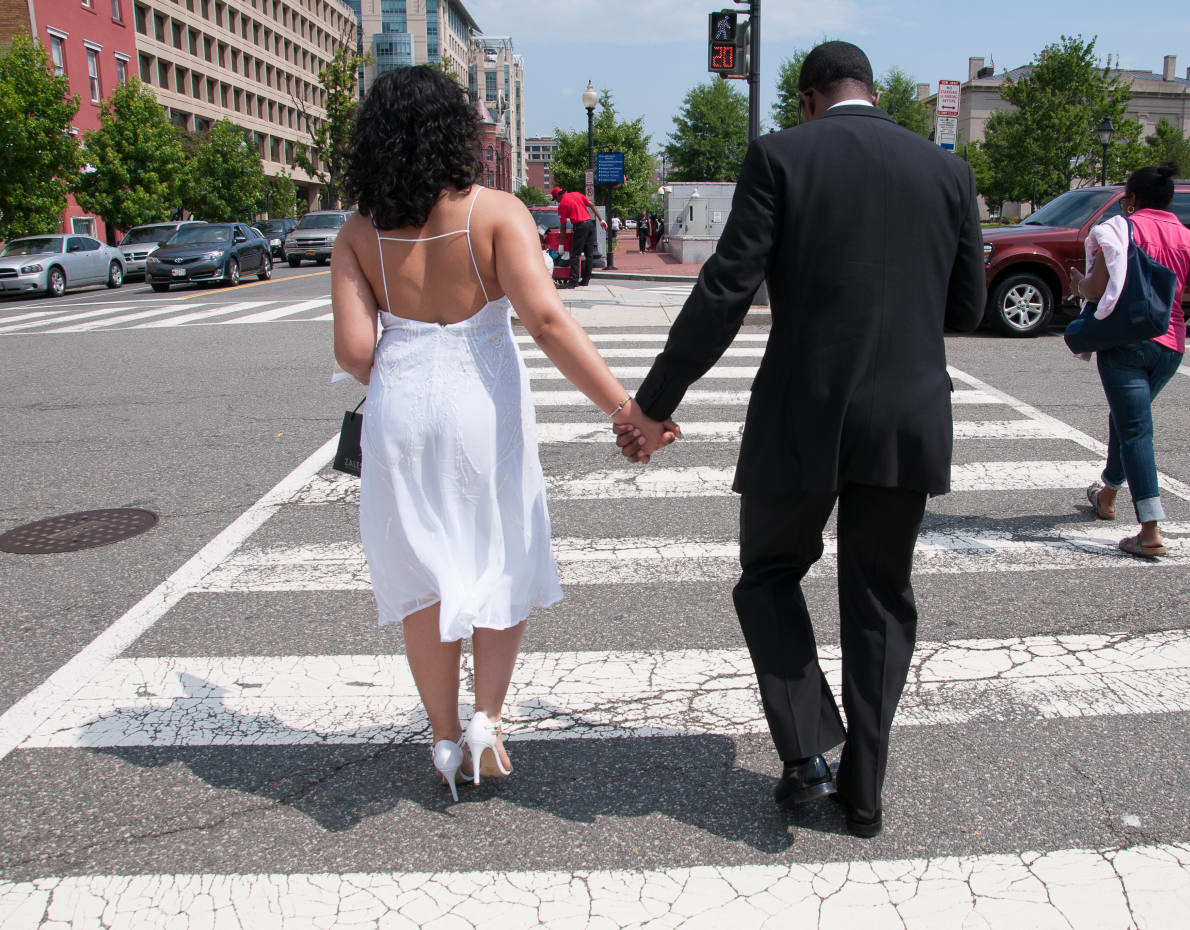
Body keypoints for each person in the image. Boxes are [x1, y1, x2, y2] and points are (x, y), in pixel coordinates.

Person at [613, 41, 985, 838]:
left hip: (802, 410)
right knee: (881, 600)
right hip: (907, 414)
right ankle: (866, 791)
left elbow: (725, 290)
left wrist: (654, 403)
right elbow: (966, 309)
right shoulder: (948, 172)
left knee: (770, 575)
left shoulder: (782, 156)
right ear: (871, 90)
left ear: (810, 98)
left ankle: (809, 747)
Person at [331, 66, 674, 802]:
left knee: (423, 572)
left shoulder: (359, 233)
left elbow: (355, 352)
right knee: (499, 550)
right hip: (481, 400)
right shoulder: (496, 213)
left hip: (401, 401)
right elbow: (547, 322)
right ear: (455, 133)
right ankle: (487, 719)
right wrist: (625, 409)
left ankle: (443, 736)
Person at [1070, 163, 1190, 557]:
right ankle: (1108, 495)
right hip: (1171, 348)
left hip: (1125, 344)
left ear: (1131, 199)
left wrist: (1076, 284)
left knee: (1135, 430)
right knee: (1128, 420)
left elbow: (1096, 290)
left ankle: (1149, 530)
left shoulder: (1122, 229)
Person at [551, 185, 603, 286]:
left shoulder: (562, 205)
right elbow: (591, 205)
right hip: (590, 225)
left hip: (580, 226)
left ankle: (574, 281)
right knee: (589, 255)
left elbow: (563, 226)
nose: (557, 201)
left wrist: (561, 245)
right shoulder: (577, 194)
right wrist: (601, 219)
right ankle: (586, 280)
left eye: (556, 199)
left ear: (558, 196)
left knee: (575, 254)